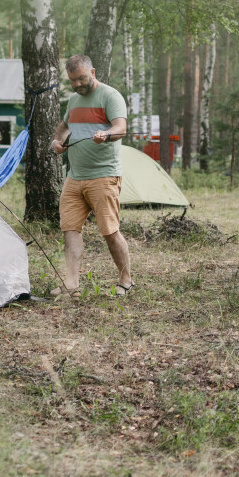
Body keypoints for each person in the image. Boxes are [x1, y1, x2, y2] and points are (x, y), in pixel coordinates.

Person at [50, 54, 134, 299]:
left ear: (93, 72)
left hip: (103, 176)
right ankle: (71, 285)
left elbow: (121, 127)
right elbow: (64, 126)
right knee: (70, 230)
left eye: (81, 79)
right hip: (74, 177)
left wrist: (107, 134)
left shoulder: (110, 96)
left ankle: (126, 280)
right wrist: (58, 141)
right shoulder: (74, 101)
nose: (77, 85)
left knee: (109, 231)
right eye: (72, 81)